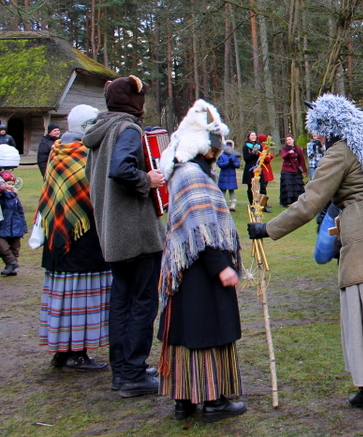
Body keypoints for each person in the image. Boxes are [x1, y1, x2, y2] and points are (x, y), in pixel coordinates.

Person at [247, 95, 363, 412]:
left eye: (319, 130)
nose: (318, 136)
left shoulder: (339, 152)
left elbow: (309, 204)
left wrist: (268, 229)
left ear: (331, 126)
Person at [155, 100, 246, 422]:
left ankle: (184, 398)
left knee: (186, 330)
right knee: (206, 329)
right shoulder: (192, 174)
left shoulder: (183, 171)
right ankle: (212, 400)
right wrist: (221, 267)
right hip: (201, 272)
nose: (218, 154)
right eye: (215, 148)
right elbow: (200, 228)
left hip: (185, 270)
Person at [82, 75, 166, 397]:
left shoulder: (100, 132)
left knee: (121, 301)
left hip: (113, 232)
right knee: (142, 302)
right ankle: (132, 374)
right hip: (137, 233)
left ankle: (123, 371)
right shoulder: (127, 129)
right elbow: (121, 170)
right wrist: (149, 178)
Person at [37, 105, 110, 370]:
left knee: (68, 297)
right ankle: (75, 353)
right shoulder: (80, 155)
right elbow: (92, 190)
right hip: (79, 240)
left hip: (60, 236)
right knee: (79, 296)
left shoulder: (58, 151)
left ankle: (65, 351)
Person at [0, 169, 27, 276]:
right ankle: (11, 262)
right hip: (3, 226)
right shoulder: (2, 197)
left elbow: (20, 213)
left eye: (12, 184)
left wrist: (23, 228)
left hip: (16, 227)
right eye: (8, 184)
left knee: (15, 249)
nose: (10, 186)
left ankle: (11, 267)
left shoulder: (15, 198)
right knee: (3, 247)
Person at [279, 136, 308, 206]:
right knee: (288, 186)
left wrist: (304, 170)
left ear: (293, 140)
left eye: (290, 139)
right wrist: (289, 153)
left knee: (297, 185)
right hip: (287, 170)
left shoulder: (298, 149)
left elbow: (301, 160)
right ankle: (287, 201)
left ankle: (297, 200)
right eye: (287, 140)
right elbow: (283, 156)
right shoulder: (284, 149)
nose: (289, 141)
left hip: (296, 169)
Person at [216, 140, 241, 211]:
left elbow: (238, 164)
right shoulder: (221, 155)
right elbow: (220, 165)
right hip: (224, 175)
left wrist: (233, 164)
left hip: (232, 175)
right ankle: (222, 204)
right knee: (223, 190)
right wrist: (228, 163)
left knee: (231, 190)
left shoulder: (234, 155)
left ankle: (232, 204)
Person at [241, 132, 262, 206]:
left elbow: (261, 157)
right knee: (250, 186)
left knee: (259, 185)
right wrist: (253, 153)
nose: (254, 136)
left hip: (258, 167)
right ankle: (252, 203)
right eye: (252, 135)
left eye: (255, 135)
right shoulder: (245, 146)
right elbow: (246, 158)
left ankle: (259, 203)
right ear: (249, 137)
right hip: (249, 168)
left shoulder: (259, 146)